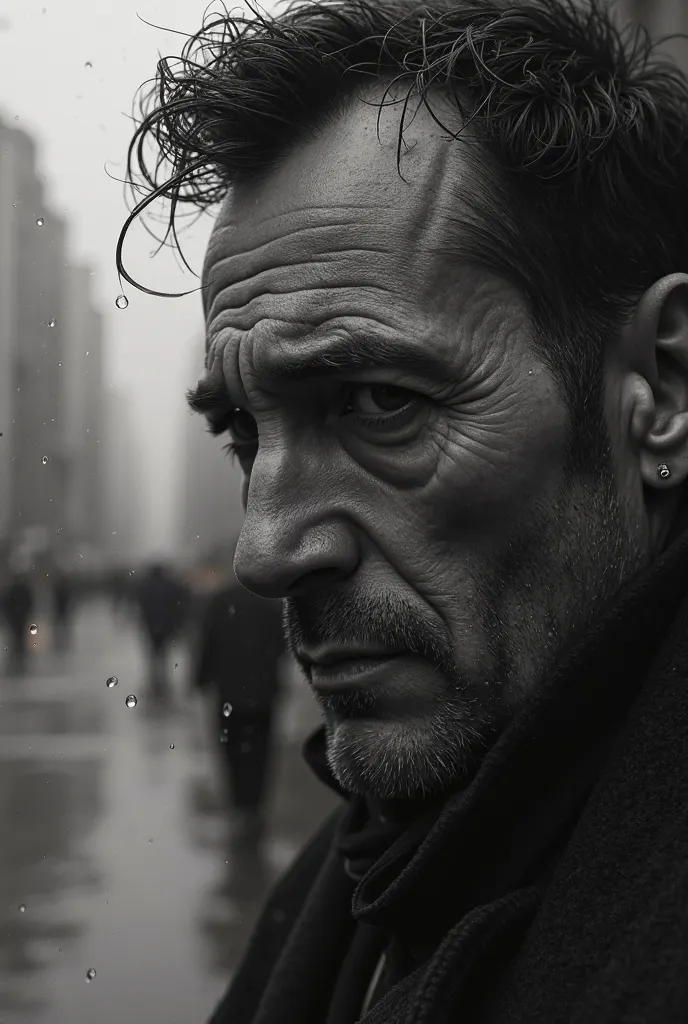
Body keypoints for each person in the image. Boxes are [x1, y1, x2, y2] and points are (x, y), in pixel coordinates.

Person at [120, 0, 688, 1020]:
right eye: (244, 434)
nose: (266, 547)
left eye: (380, 402)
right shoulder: (359, 875)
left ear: (662, 390)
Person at [193, 573, 285, 851]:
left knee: (231, 749)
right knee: (261, 750)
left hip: (229, 692)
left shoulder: (220, 601)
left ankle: (238, 805)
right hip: (264, 692)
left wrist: (200, 679)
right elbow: (283, 645)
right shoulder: (270, 602)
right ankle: (254, 805)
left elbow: (207, 642)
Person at [134, 563, 189, 696]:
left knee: (153, 651)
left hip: (151, 624)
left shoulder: (145, 585)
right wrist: (178, 623)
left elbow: (140, 604)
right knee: (164, 651)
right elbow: (180, 604)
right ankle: (163, 676)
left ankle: (154, 677)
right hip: (166, 624)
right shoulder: (172, 585)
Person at [0, 572, 34, 675]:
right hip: (19, 618)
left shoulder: (11, 590)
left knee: (15, 639)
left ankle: (17, 659)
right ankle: (19, 659)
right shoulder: (22, 590)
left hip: (15, 618)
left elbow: (5, 604)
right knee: (19, 639)